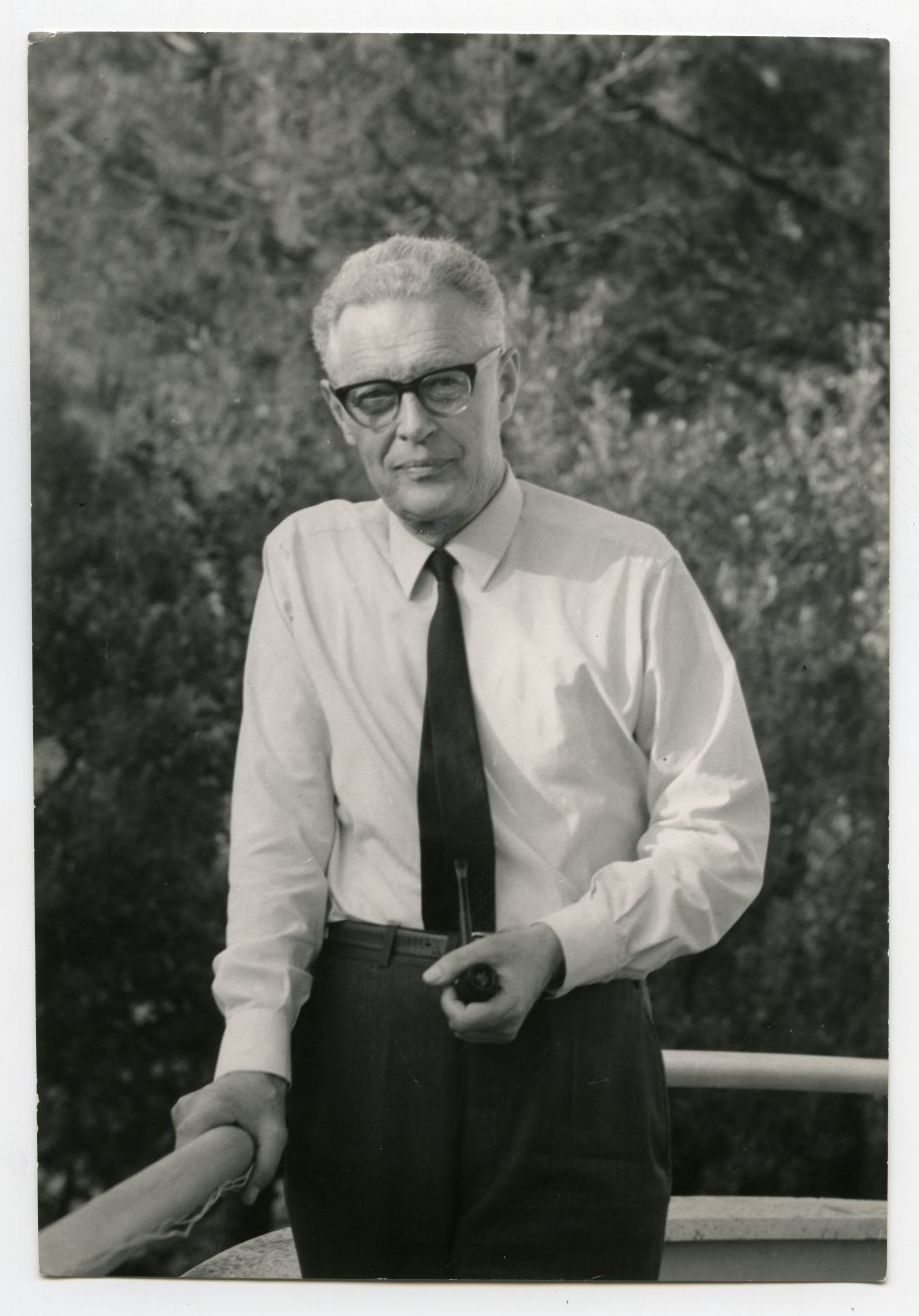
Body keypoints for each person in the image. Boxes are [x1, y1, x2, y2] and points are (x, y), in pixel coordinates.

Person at [171, 235, 769, 1281]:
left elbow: (721, 837)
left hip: (578, 1041)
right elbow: (278, 840)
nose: (412, 427)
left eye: (443, 382)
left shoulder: (630, 570)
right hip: (361, 1047)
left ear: (507, 380)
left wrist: (561, 944)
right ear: (338, 411)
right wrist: (254, 1055)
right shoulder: (305, 562)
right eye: (374, 396)